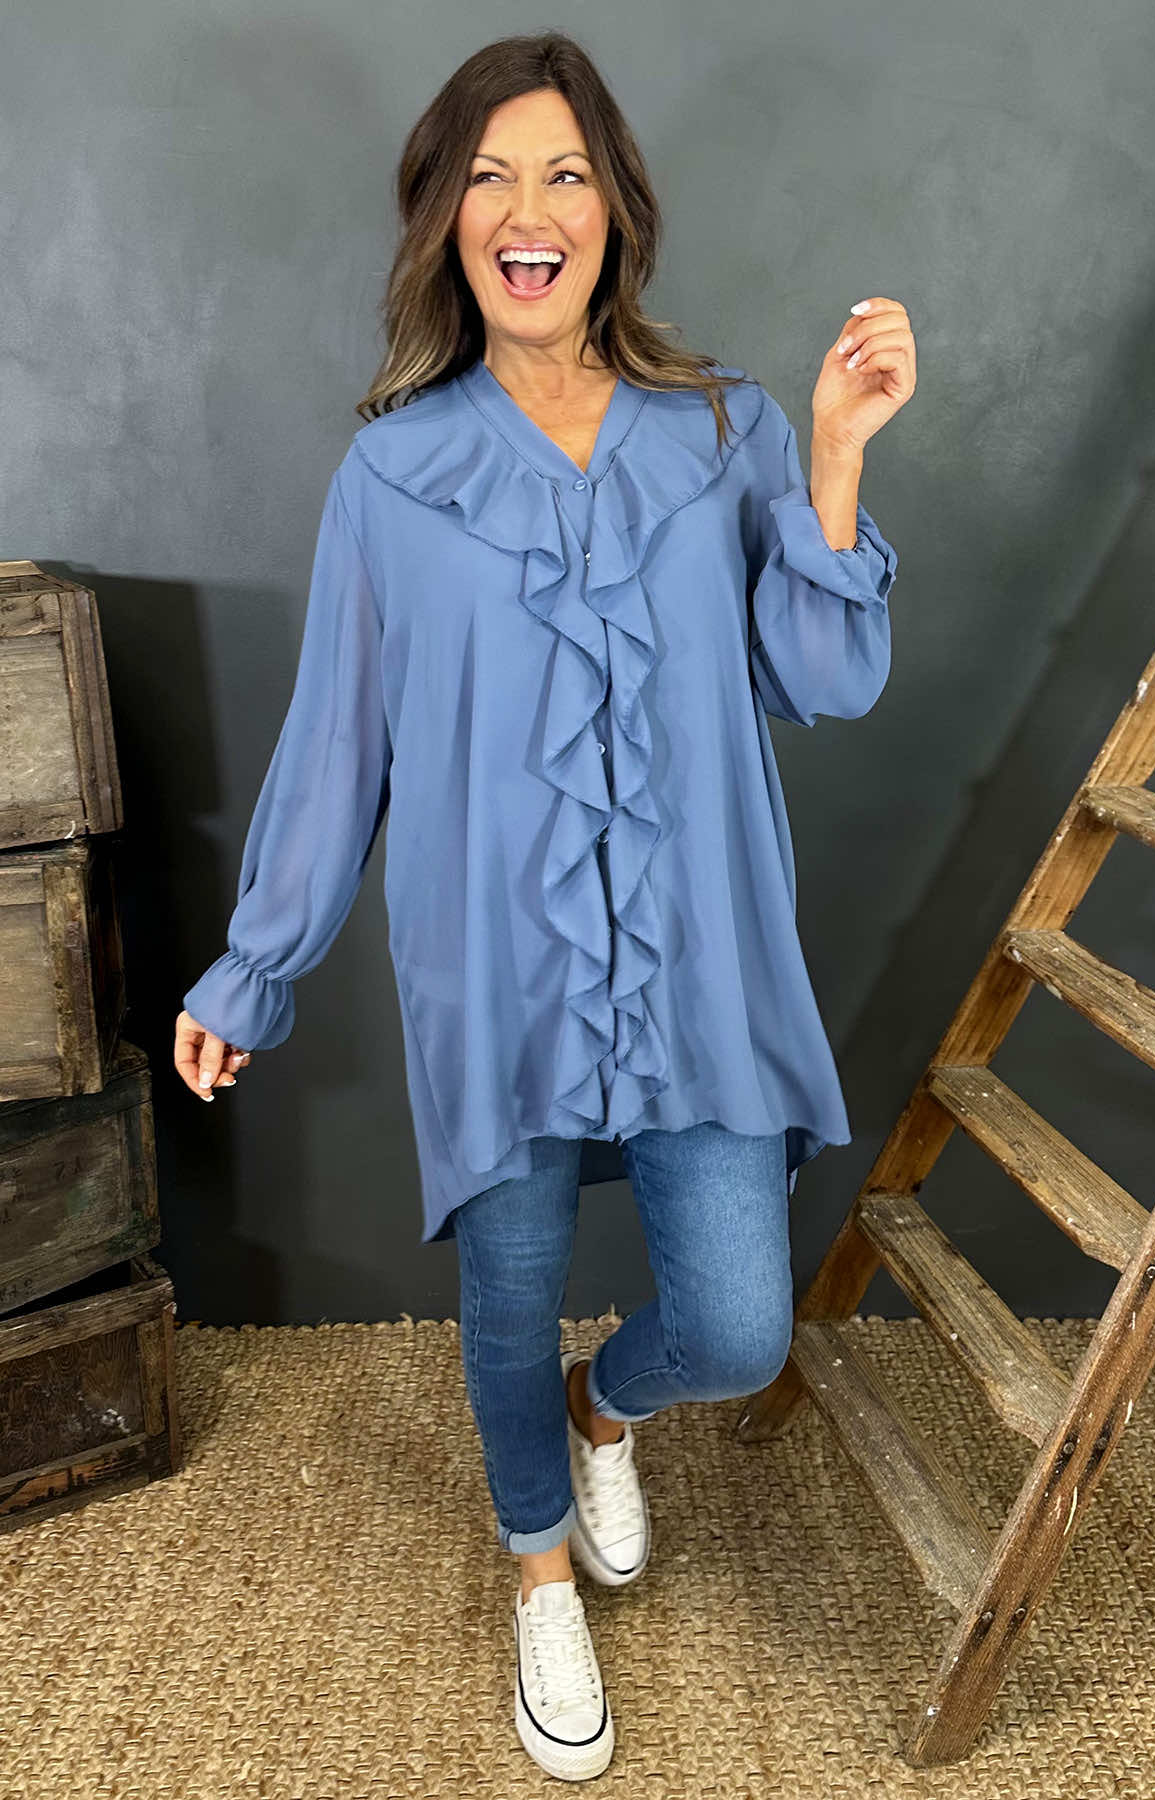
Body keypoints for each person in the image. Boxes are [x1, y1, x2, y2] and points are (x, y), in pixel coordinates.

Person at [173, 30, 915, 1783]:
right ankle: (537, 1575)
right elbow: (338, 744)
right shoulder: (393, 476)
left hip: (701, 962)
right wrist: (253, 967)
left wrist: (832, 461)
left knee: (735, 1326)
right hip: (493, 967)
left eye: (566, 173)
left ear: (614, 212)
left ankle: (608, 1413)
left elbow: (824, 679)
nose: (531, 210)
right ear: (447, 218)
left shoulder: (721, 428)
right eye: (491, 176)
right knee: (505, 1296)